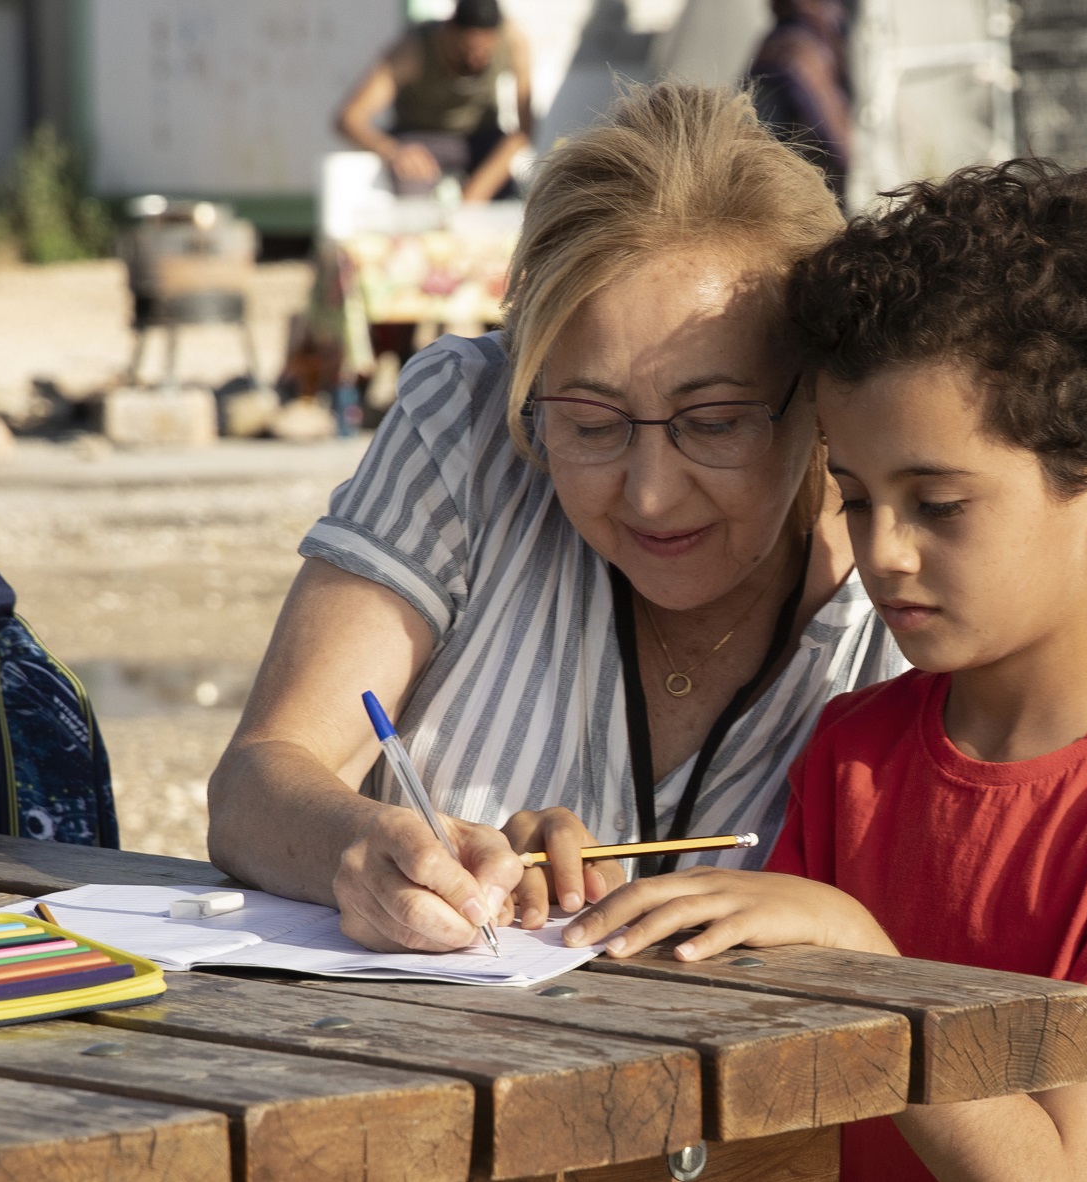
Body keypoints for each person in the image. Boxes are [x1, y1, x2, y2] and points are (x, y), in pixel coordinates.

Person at [565, 160, 1087, 1180]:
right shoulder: (856, 753)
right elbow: (764, 1071)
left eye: (938, 505)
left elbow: (1045, 1171)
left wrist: (868, 965)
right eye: (858, 499)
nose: (885, 553)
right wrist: (575, 907)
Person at [209, 83, 907, 954]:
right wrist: (366, 849)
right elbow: (254, 786)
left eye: (717, 421)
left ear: (821, 398)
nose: (650, 495)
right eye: (589, 422)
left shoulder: (907, 570)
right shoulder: (470, 423)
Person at [335, 0, 535, 202]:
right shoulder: (414, 50)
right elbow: (349, 118)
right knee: (413, 195)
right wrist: (395, 152)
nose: (477, 58)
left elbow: (524, 132)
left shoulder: (513, 40)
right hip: (422, 138)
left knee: (507, 207)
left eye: (486, 53)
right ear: (449, 30)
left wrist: (479, 189)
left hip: (481, 138)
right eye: (469, 49)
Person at [746, 0, 853, 196]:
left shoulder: (824, 33)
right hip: (794, 182)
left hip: (818, 175)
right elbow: (754, 143)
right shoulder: (789, 50)